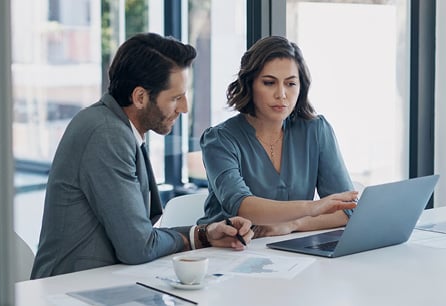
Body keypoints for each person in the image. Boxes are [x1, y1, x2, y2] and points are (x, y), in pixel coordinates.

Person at [31, 33, 253, 279]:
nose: (184, 108)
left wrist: (203, 234)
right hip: (70, 289)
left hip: (104, 282)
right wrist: (194, 238)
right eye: (176, 98)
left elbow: (140, 237)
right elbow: (138, 247)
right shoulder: (106, 134)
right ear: (139, 97)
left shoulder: (117, 127)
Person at [197, 36, 358, 238]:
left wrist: (293, 224)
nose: (281, 94)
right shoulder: (219, 140)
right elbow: (241, 205)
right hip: (226, 251)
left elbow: (347, 209)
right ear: (250, 84)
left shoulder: (316, 130)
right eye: (269, 83)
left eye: (291, 84)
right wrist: (313, 207)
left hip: (288, 252)